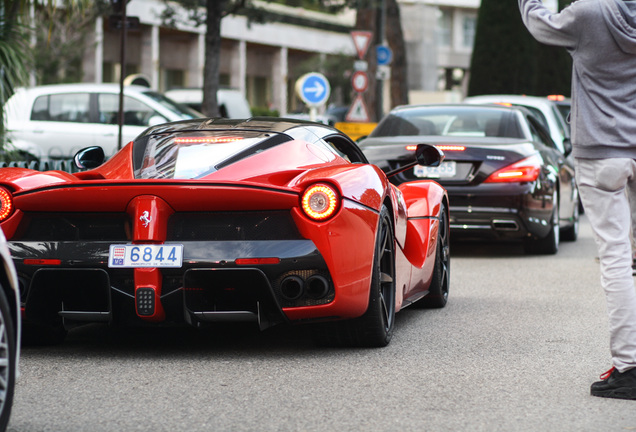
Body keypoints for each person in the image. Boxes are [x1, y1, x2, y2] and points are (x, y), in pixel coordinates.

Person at [519, 0, 636, 400]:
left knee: (617, 258)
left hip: (602, 150)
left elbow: (539, 24)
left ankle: (630, 367)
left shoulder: (589, 14)